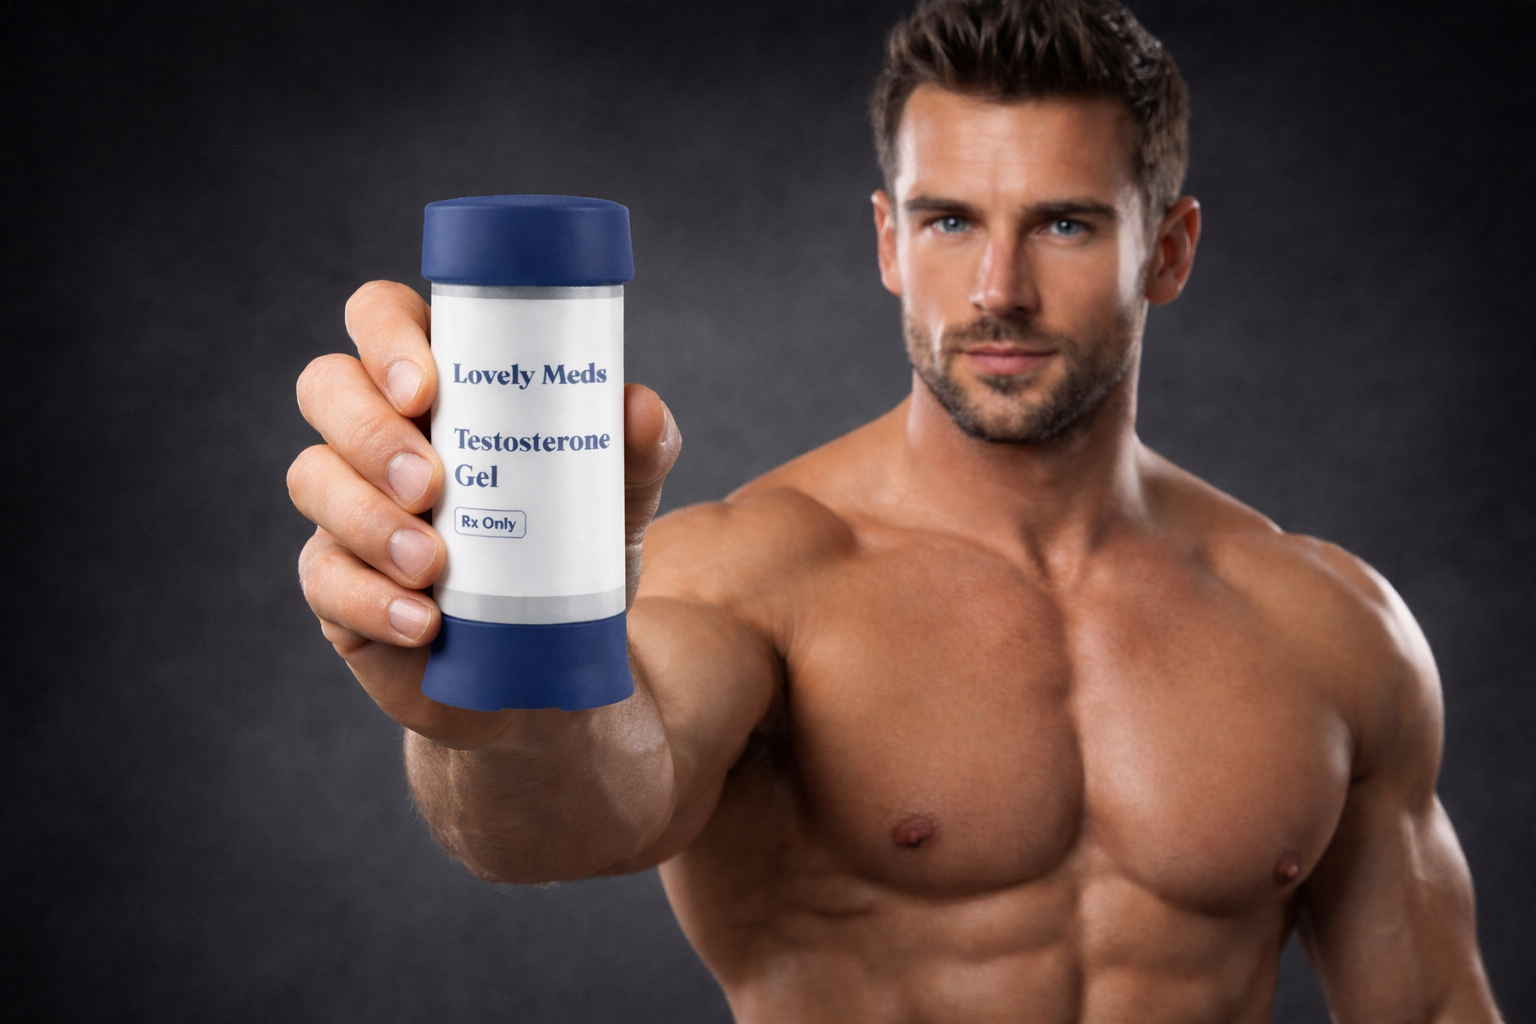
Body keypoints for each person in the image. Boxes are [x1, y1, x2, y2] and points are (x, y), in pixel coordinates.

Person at [287, 0, 1505, 1019]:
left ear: (1169, 251)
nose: (998, 290)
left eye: (1066, 224)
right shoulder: (760, 576)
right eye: (949, 220)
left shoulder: (1330, 622)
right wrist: (484, 700)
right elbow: (561, 816)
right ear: (887, 239)